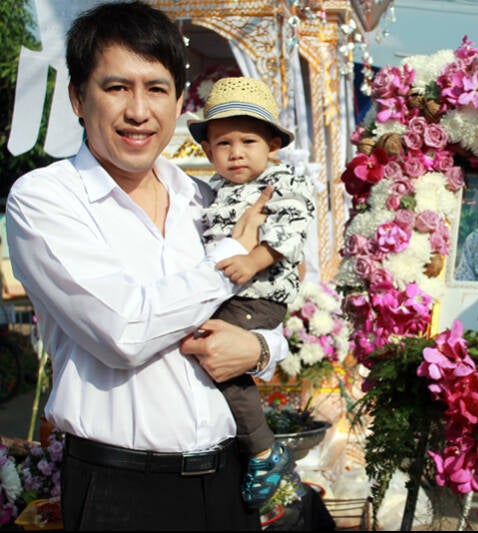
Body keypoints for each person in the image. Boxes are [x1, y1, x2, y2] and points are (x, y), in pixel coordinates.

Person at [4, 1, 289, 530]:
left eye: (157, 89)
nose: (139, 111)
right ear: (78, 98)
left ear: (179, 102)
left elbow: (269, 308)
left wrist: (260, 348)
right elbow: (124, 331)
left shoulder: (207, 200)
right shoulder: (46, 199)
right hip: (121, 490)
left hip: (228, 484)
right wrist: (227, 259)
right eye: (117, 87)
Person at [187, 76, 316, 509]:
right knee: (217, 363)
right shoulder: (215, 190)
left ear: (272, 145)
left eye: (248, 141)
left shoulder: (282, 182)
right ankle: (245, 447)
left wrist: (254, 258)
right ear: (208, 151)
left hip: (258, 293)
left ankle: (262, 450)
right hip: (231, 292)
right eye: (224, 144)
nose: (236, 152)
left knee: (219, 358)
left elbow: (293, 228)